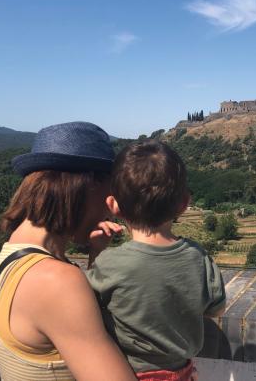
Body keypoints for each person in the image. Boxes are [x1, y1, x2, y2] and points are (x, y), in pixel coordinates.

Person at [0, 122, 137, 381]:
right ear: (86, 188)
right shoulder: (55, 281)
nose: (109, 209)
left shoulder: (14, 253)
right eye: (109, 194)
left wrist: (95, 257)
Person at [86, 139, 226, 380]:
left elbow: (87, 306)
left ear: (113, 206)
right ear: (183, 204)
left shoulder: (110, 263)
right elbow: (216, 309)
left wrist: (96, 252)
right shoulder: (198, 256)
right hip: (182, 373)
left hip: (126, 372)